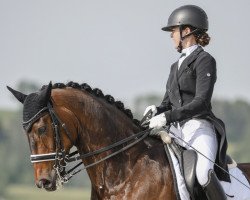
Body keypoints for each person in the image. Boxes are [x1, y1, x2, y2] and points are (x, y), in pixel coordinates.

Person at [144, 5, 230, 200]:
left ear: (187, 31)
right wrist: (157, 109)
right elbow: (168, 102)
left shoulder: (204, 60)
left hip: (199, 127)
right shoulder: (175, 66)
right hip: (176, 131)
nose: (171, 35)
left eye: (174, 30)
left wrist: (167, 116)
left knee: (202, 172)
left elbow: (201, 102)